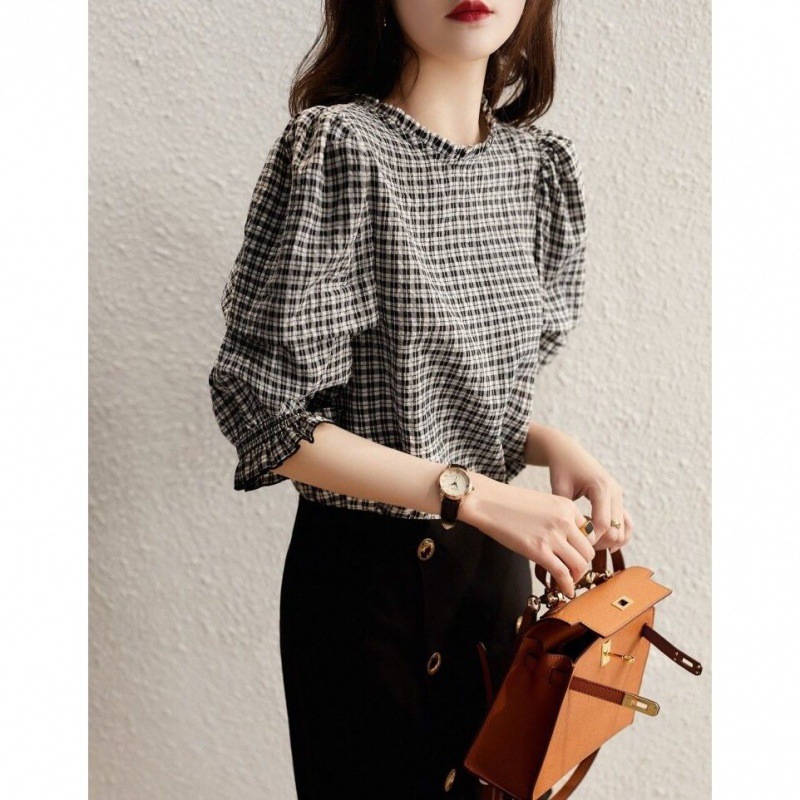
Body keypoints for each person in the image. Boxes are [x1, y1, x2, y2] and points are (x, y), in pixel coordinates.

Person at [208, 1, 634, 797]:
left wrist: (550, 445)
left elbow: (433, 390)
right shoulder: (337, 151)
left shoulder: (538, 169)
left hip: (496, 576)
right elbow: (269, 417)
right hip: (372, 596)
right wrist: (477, 495)